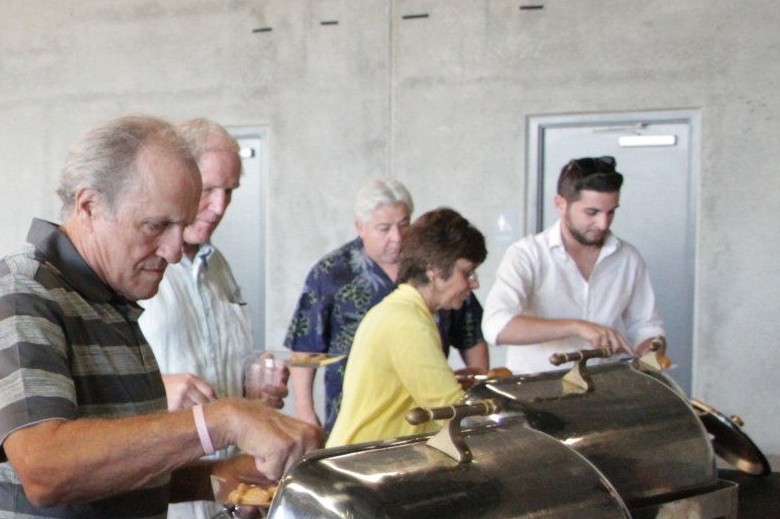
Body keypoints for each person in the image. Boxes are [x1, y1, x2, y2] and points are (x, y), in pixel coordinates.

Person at [0, 115, 321, 519]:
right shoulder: (17, 295)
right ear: (89, 205)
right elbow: (47, 466)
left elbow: (113, 467)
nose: (174, 250)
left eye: (181, 227)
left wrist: (214, 477)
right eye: (157, 225)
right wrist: (219, 421)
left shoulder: (111, 303)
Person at [135, 120, 286, 519]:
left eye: (230, 192)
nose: (220, 206)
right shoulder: (136, 268)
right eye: (209, 189)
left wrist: (255, 385)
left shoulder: (218, 267)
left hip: (232, 489)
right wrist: (158, 387)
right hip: (168, 495)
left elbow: (223, 359)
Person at [283, 179, 490, 428]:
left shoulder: (427, 270)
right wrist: (306, 415)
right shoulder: (332, 273)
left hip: (410, 423)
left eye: (404, 224)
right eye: (384, 228)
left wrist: (475, 383)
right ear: (361, 227)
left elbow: (471, 336)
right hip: (365, 429)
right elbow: (305, 348)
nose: (397, 236)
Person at [482, 156, 665, 373]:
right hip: (534, 396)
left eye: (611, 212)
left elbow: (646, 326)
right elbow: (496, 326)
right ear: (560, 204)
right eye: (592, 212)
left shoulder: (628, 258)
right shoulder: (526, 254)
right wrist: (577, 327)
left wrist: (651, 349)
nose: (603, 223)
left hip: (603, 394)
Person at [328, 209, 487, 447]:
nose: (474, 283)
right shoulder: (407, 322)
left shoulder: (405, 311)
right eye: (467, 272)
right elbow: (454, 412)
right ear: (432, 270)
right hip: (365, 464)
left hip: (371, 459)